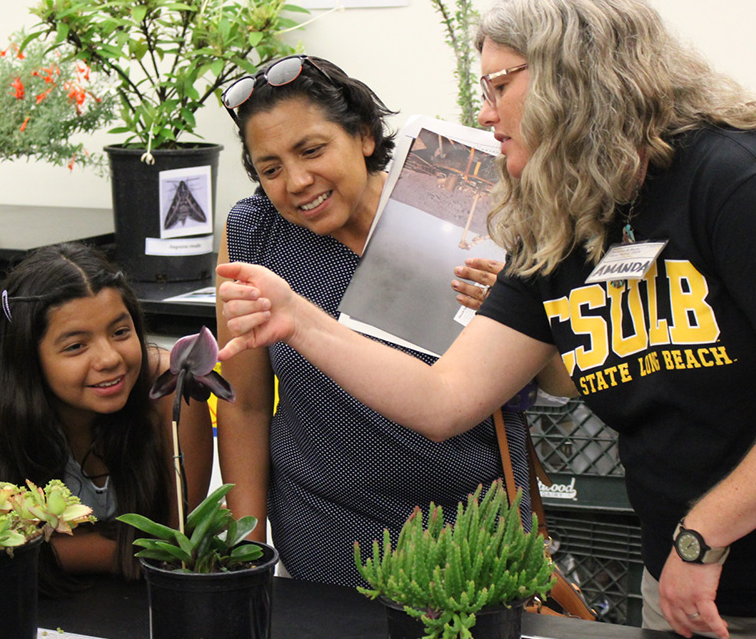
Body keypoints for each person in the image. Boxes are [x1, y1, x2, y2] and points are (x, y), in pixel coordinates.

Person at [216, 0, 756, 638]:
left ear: (573, 72)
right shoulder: (564, 220)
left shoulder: (744, 183)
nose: (485, 114)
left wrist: (705, 538)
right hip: (684, 581)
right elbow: (444, 400)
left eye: (498, 85)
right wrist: (299, 320)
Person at [216, 54, 548, 587]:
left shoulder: (472, 205)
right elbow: (246, 403)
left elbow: (561, 380)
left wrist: (516, 305)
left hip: (473, 532)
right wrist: (245, 548)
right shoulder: (256, 235)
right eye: (270, 168)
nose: (297, 181)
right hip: (324, 533)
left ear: (366, 135)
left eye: (312, 150)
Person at [0, 243, 212, 592]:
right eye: (76, 346)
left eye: (120, 332)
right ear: (28, 356)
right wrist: (127, 551)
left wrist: (65, 549)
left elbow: (178, 542)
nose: (109, 358)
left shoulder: (170, 389)